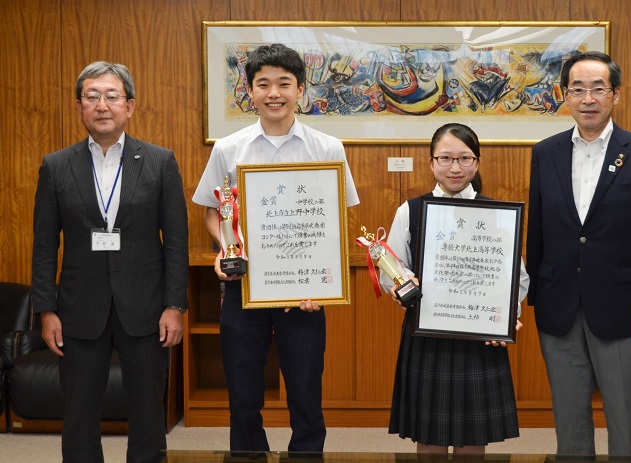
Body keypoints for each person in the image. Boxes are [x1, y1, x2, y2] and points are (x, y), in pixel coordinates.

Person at [192, 43, 360, 452]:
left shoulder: (327, 148)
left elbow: (337, 219)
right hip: (244, 287)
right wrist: (226, 246)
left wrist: (322, 282)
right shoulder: (229, 149)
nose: (274, 93)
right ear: (250, 91)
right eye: (263, 84)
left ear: (300, 89)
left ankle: (307, 455)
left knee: (305, 390)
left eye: (284, 83)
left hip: (304, 291)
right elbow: (212, 212)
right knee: (243, 391)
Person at [31, 61, 189, 463]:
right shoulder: (56, 166)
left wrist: (175, 305)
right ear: (80, 106)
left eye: (112, 96)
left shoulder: (159, 161)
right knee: (80, 413)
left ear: (130, 106)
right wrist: (45, 310)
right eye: (92, 96)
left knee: (148, 413)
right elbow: (45, 246)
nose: (102, 105)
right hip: (79, 309)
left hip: (147, 307)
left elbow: (176, 241)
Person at [526, 51, 631, 463]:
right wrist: (534, 295)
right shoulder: (545, 153)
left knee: (625, 419)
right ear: (564, 95)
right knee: (568, 420)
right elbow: (538, 232)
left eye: (597, 89)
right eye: (577, 89)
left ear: (615, 95)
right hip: (559, 307)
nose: (587, 98)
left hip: (623, 310)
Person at [380, 122, 529, 454]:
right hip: (427, 336)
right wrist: (402, 284)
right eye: (445, 158)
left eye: (464, 158)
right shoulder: (411, 210)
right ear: (431, 162)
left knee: (474, 440)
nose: (455, 167)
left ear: (476, 162)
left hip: (480, 336)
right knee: (428, 438)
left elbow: (516, 278)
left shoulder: (497, 213)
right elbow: (390, 268)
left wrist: (505, 319)